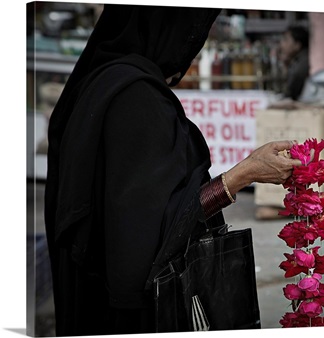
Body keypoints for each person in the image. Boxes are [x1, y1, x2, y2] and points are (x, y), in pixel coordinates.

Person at [44, 4, 302, 336]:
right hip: (130, 313)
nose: (193, 49)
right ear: (165, 29)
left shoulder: (102, 81)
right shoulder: (137, 99)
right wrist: (245, 173)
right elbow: (162, 234)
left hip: (93, 297)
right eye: (191, 35)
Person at [279, 25, 310, 101]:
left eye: (286, 40)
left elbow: (290, 93)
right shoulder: (298, 59)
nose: (282, 44)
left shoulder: (301, 63)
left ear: (297, 45)